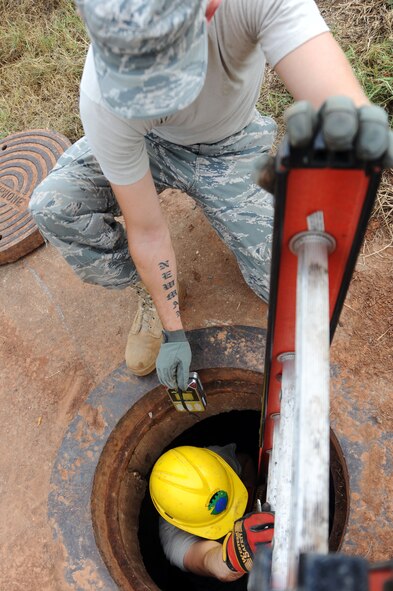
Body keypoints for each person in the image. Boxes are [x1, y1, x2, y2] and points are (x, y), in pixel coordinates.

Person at [29, 0, 392, 391]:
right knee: (55, 205)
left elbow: (337, 102)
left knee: (290, 284)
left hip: (228, 146)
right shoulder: (103, 100)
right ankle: (148, 292)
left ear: (209, 7)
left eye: (167, 71)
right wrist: (173, 332)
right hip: (147, 146)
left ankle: (233, 202)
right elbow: (148, 231)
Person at [149, 444, 274, 588]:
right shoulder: (173, 538)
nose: (233, 515)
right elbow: (210, 561)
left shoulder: (212, 466)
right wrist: (238, 554)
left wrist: (252, 498)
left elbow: (245, 462)